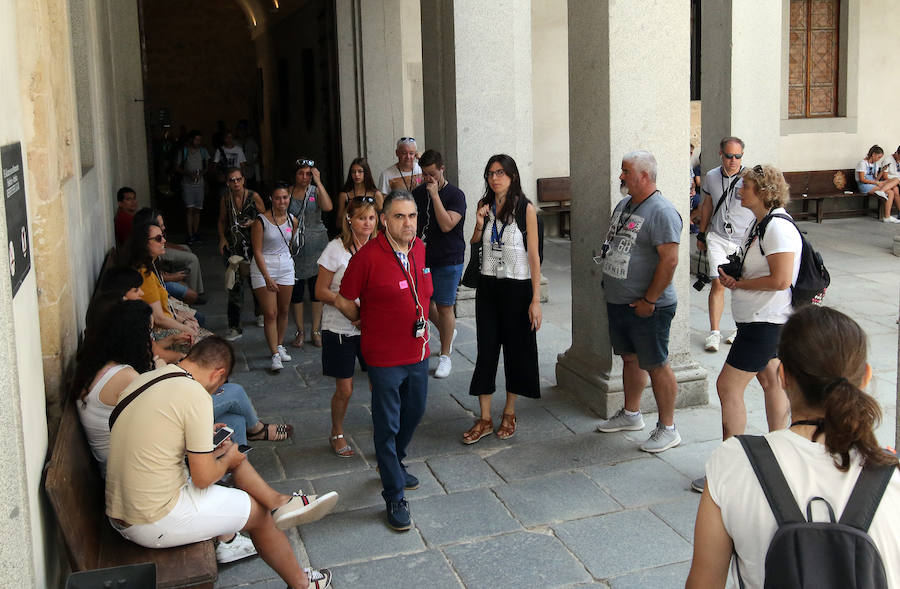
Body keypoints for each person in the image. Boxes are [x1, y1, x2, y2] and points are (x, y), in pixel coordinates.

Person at [686, 305, 900, 589]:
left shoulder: (733, 461)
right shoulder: (892, 478)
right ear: (865, 377)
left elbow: (704, 583)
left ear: (782, 376)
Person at [104, 337, 338, 588]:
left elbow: (155, 433)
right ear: (219, 374)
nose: (214, 392)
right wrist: (228, 460)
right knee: (256, 512)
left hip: (121, 510)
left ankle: (281, 502)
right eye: (219, 386)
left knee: (228, 454)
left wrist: (208, 441)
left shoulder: (148, 379)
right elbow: (204, 478)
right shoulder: (195, 394)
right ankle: (302, 582)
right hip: (151, 519)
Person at [74, 300, 261, 564]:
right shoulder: (126, 377)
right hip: (137, 486)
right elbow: (167, 404)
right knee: (232, 398)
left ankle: (230, 522)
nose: (151, 340)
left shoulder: (102, 367)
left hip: (127, 475)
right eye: (148, 334)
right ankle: (239, 491)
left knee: (229, 421)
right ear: (134, 337)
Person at [692, 164, 802, 492]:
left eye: (747, 187)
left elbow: (782, 279)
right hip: (762, 320)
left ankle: (732, 470)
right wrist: (736, 278)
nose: (740, 191)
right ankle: (782, 455)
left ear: (764, 192)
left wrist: (739, 284)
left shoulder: (777, 228)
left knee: (728, 387)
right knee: (771, 381)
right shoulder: (762, 223)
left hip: (765, 322)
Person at [332, 191, 433, 531]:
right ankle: (393, 493)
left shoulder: (419, 247)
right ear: (385, 220)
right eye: (401, 217)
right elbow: (344, 297)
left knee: (415, 410)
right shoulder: (367, 257)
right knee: (387, 424)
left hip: (417, 350)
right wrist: (362, 318)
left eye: (413, 216)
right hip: (385, 356)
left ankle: (394, 461)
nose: (408, 223)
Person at [595, 150, 683, 453]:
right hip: (620, 301)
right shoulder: (624, 205)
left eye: (626, 171)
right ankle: (631, 414)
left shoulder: (662, 212)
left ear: (644, 176)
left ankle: (668, 428)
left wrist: (650, 300)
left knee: (657, 364)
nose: (620, 176)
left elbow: (669, 261)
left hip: (647, 306)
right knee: (630, 359)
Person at [462, 155, 541, 444]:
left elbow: (534, 256)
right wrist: (479, 223)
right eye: (491, 173)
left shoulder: (525, 209)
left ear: (512, 176)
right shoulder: (485, 207)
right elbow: (474, 245)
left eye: (501, 173)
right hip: (488, 287)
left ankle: (509, 412)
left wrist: (535, 300)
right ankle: (484, 418)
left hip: (517, 288)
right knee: (486, 350)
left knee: (516, 350)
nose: (495, 178)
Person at [315, 197, 378, 457]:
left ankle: (383, 429)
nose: (367, 222)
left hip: (371, 325)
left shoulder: (378, 247)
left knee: (379, 382)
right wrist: (346, 304)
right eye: (362, 217)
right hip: (339, 326)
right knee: (345, 388)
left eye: (372, 217)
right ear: (349, 219)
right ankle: (337, 432)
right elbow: (320, 290)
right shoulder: (335, 249)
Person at [696, 137, 756, 352]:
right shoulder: (711, 176)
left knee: (741, 286)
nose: (733, 160)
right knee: (718, 283)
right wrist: (701, 234)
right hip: (718, 237)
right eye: (729, 156)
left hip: (743, 240)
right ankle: (714, 332)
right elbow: (707, 204)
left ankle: (740, 328)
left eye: (738, 156)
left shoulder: (750, 178)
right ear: (720, 154)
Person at [411, 150, 466, 379]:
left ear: (442, 169)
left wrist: (434, 196)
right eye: (424, 174)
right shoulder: (417, 193)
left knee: (445, 306)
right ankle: (447, 330)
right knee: (424, 305)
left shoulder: (455, 195)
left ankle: (445, 356)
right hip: (423, 257)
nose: (428, 179)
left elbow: (446, 225)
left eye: (432, 174)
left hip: (448, 257)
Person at [119, 221, 200, 339]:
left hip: (168, 324)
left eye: (163, 236)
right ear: (144, 244)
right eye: (158, 238)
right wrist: (186, 328)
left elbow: (164, 309)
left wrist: (183, 321)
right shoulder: (144, 273)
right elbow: (159, 319)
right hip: (161, 333)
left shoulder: (151, 266)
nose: (164, 241)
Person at [250, 183, 299, 372]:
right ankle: (274, 354)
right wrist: (267, 277)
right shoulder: (260, 221)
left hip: (285, 266)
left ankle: (279, 344)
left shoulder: (292, 220)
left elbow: (291, 244)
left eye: (285, 197)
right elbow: (257, 251)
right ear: (271, 199)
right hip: (264, 266)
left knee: (284, 310)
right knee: (270, 313)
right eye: (278, 198)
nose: (282, 201)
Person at [287, 159, 334, 349]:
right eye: (301, 173)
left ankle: (316, 330)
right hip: (294, 247)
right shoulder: (287, 193)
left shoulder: (315, 191)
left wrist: (319, 182)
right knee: (296, 292)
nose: (305, 177)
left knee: (316, 291)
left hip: (317, 246)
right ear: (295, 174)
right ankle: (300, 330)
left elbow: (329, 207)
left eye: (308, 174)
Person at [218, 167, 266, 341]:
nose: (236, 183)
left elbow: (266, 217)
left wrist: (254, 222)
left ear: (244, 180)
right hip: (234, 248)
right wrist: (222, 238)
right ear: (228, 182)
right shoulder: (226, 199)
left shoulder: (254, 196)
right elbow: (222, 220)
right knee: (235, 287)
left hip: (254, 246)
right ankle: (235, 326)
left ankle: (260, 313)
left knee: (257, 283)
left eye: (238, 179)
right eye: (232, 180)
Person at [133, 208, 205, 304]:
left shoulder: (152, 257)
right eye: (159, 238)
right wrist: (172, 278)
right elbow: (160, 310)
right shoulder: (142, 266)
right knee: (191, 296)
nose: (164, 240)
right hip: (162, 296)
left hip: (163, 290)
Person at [175, 130, 209, 244]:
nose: (198, 142)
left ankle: (196, 232)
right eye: (196, 139)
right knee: (190, 209)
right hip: (187, 184)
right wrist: (188, 173)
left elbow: (208, 166)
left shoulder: (203, 151)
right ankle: (190, 234)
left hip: (199, 184)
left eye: (200, 140)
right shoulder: (184, 151)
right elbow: (177, 167)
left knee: (198, 210)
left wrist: (202, 173)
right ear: (191, 139)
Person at [335, 157, 384, 230]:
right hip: (351, 233)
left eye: (360, 171)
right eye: (353, 172)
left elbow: (383, 219)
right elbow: (339, 221)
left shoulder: (376, 194)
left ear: (366, 172)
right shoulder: (344, 195)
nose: (356, 174)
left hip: (372, 233)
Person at [856, 145, 900, 223]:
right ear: (873, 154)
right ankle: (882, 191)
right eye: (878, 157)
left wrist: (882, 171)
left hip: (873, 184)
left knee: (893, 186)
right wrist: (877, 183)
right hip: (864, 186)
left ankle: (887, 217)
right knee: (890, 191)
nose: (879, 159)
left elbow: (876, 179)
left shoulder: (875, 164)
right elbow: (862, 179)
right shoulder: (862, 163)